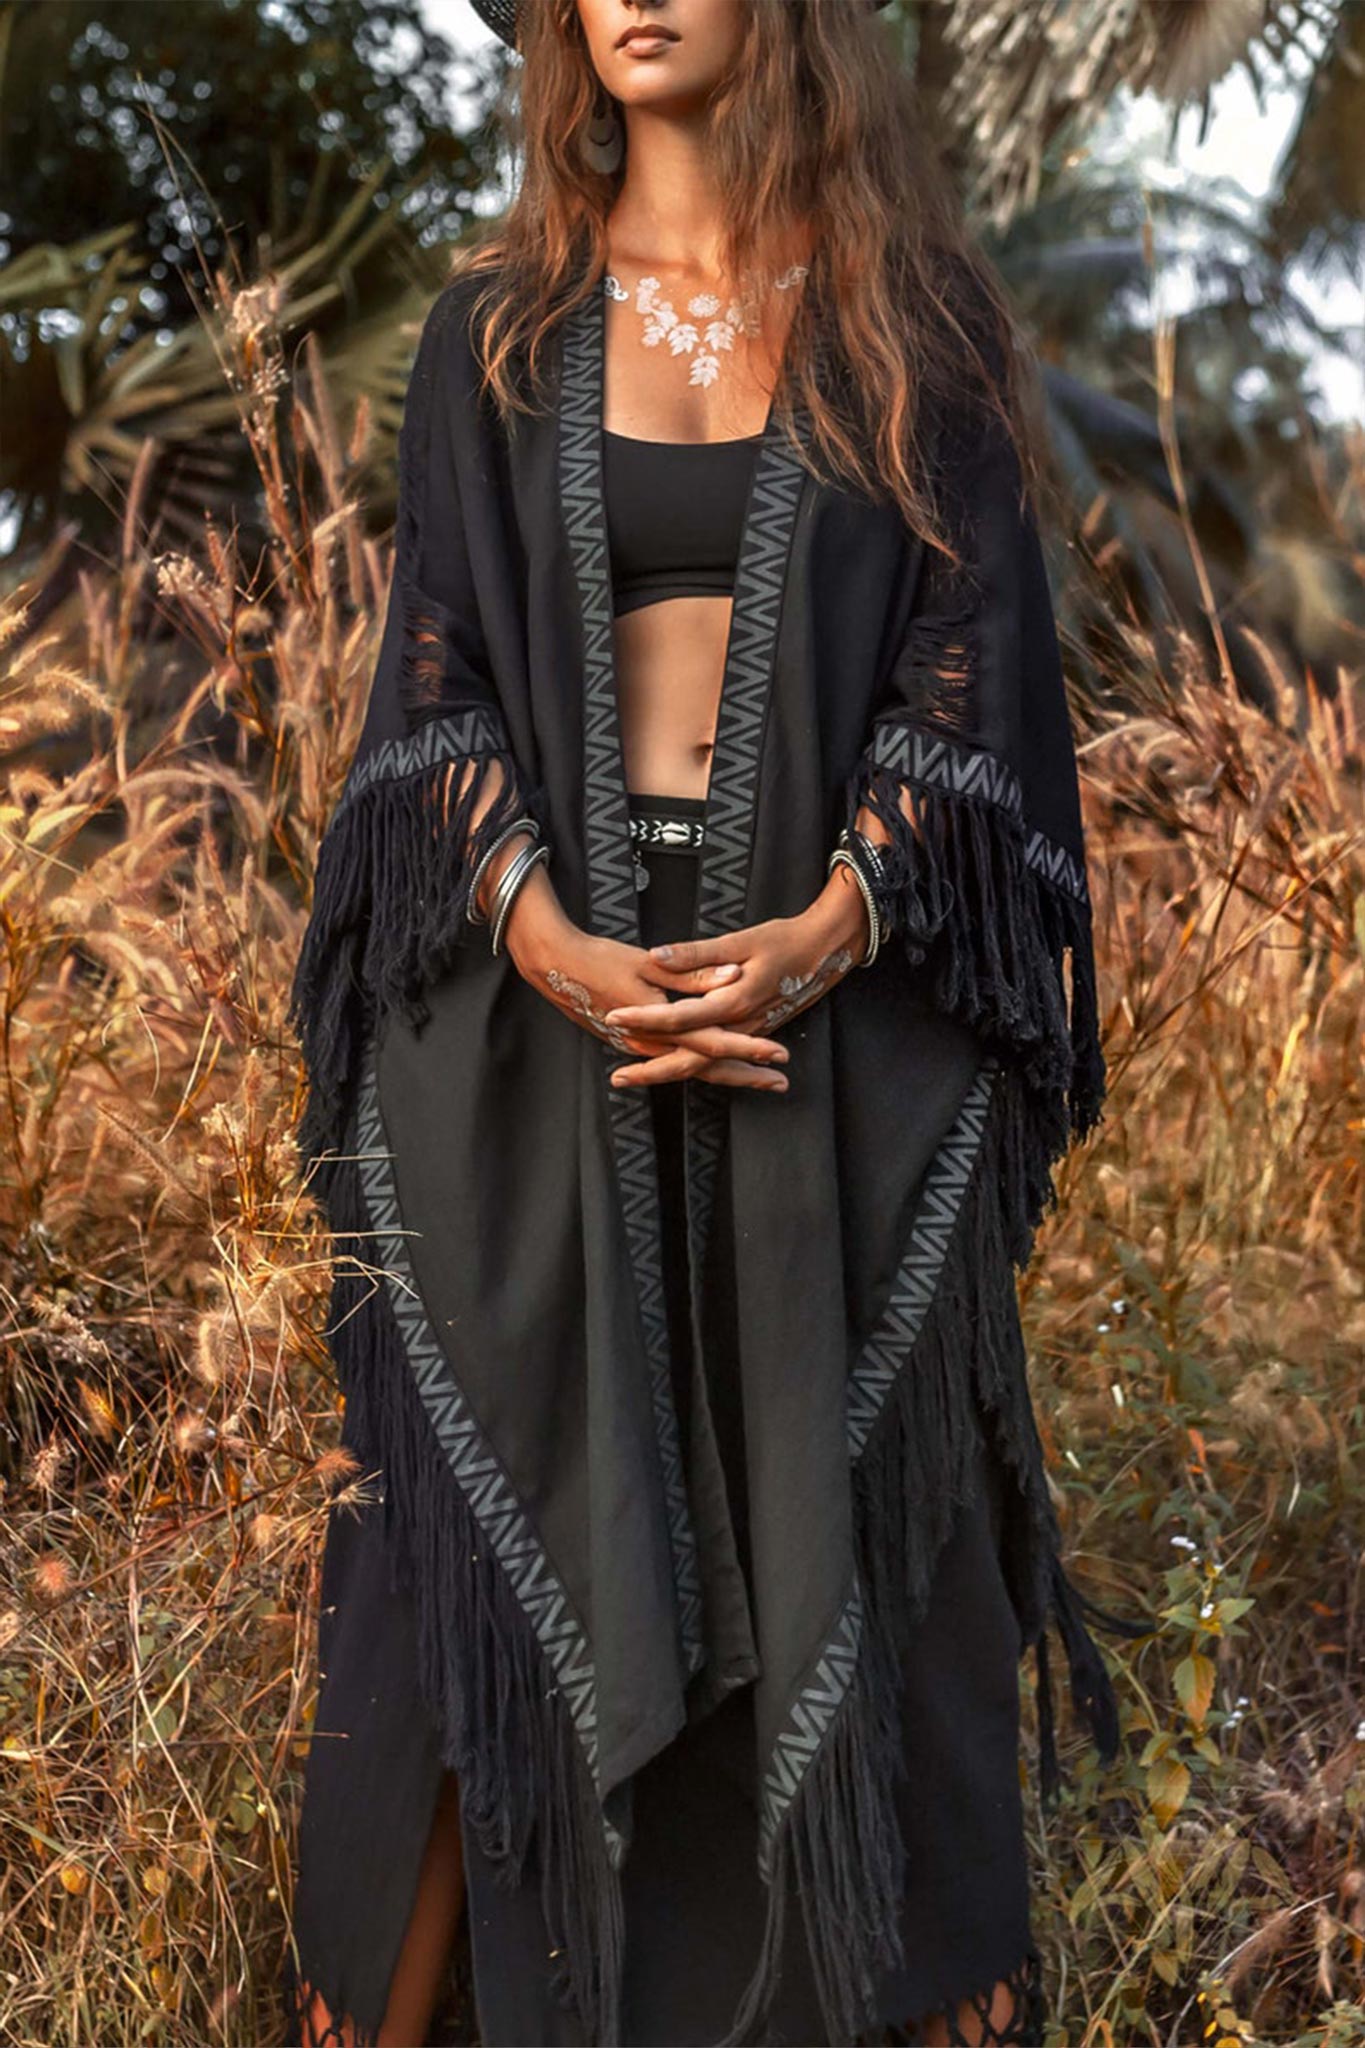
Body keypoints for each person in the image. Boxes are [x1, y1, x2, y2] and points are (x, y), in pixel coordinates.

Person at [282, 1, 1148, 2043]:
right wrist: (556, 946)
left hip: (817, 1040)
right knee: (458, 1614)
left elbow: (973, 678)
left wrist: (825, 934)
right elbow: (431, 709)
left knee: (886, 1579)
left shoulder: (905, 329)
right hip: (532, 1025)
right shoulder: (495, 334)